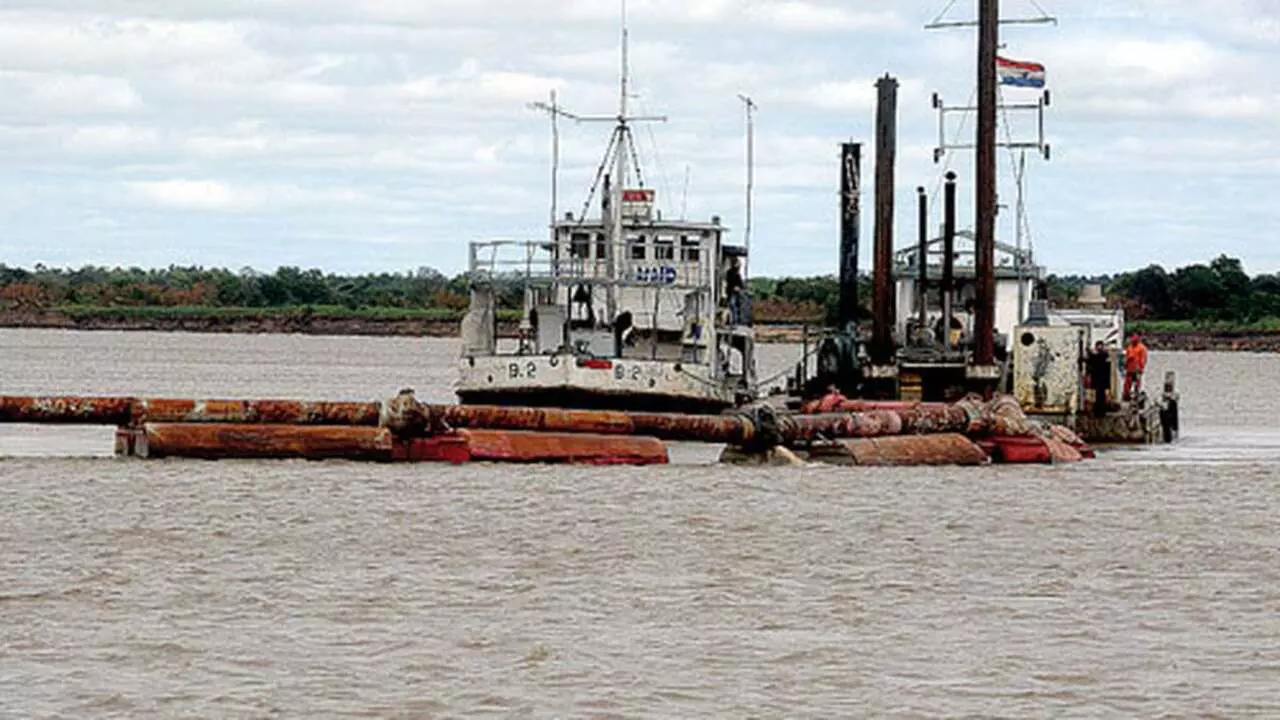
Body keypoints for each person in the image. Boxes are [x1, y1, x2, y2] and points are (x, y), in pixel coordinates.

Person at [1085, 340, 1112, 417]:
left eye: (1100, 346)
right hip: (1099, 379)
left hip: (1101, 379)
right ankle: (1098, 411)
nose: (1099, 347)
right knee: (1098, 395)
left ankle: (1100, 411)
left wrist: (1089, 353)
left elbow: (1095, 360)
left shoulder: (1103, 355)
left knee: (1101, 396)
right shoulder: (1104, 355)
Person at [1123, 333, 1148, 401]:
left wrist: (1141, 368)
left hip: (1137, 369)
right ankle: (1126, 396)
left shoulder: (1142, 348)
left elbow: (1143, 359)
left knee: (1137, 384)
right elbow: (1126, 357)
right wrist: (1125, 364)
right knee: (1127, 384)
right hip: (1129, 369)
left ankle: (1136, 396)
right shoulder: (1129, 347)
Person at [725, 257, 745, 325]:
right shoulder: (732, 272)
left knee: (733, 306)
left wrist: (738, 287)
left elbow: (741, 285)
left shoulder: (736, 273)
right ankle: (733, 321)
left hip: (734, 293)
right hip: (731, 292)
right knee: (732, 306)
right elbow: (730, 282)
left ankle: (734, 322)